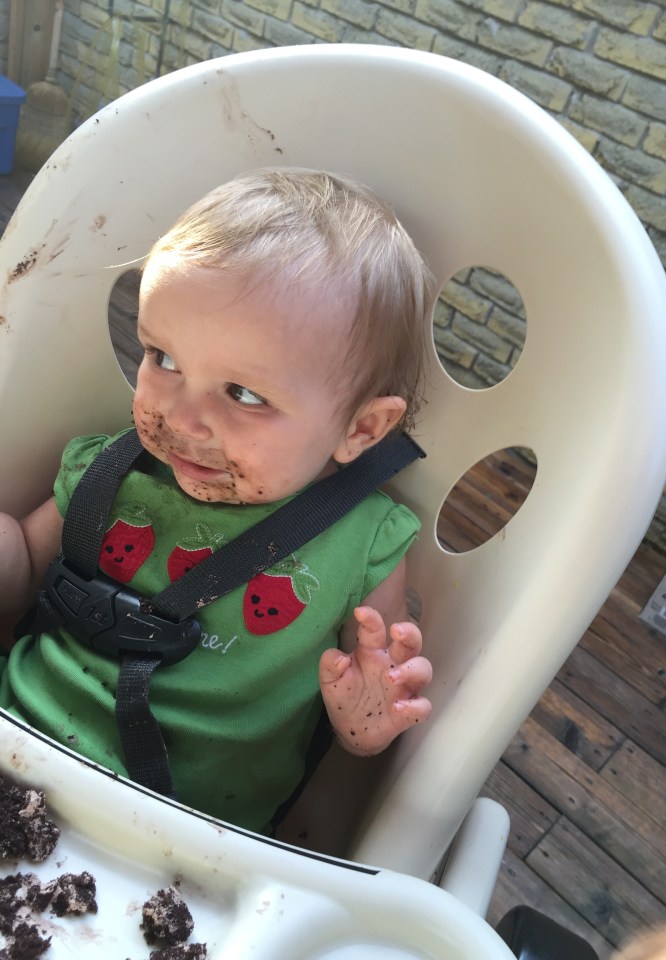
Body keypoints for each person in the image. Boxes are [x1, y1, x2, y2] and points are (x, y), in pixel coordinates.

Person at [0, 168, 434, 834]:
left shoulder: (365, 544)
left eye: (245, 395)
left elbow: (371, 718)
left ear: (362, 429)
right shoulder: (105, 472)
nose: (182, 417)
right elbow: (24, 567)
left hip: (176, 840)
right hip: (15, 748)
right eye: (163, 358)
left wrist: (365, 725)